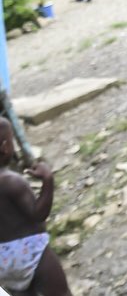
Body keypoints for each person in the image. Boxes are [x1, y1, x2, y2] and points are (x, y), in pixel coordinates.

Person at [0, 118, 71, 296]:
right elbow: (38, 214)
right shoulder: (11, 181)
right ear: (4, 147)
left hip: (3, 261)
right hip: (32, 252)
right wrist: (48, 179)